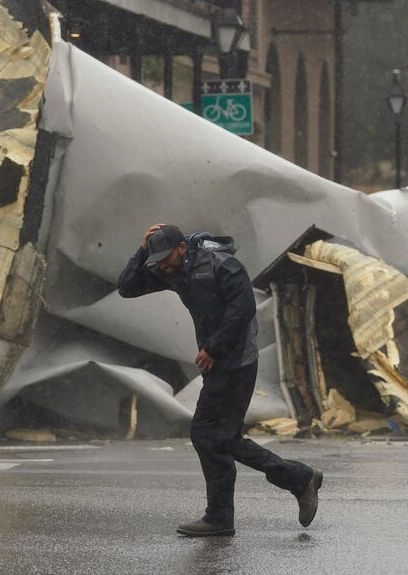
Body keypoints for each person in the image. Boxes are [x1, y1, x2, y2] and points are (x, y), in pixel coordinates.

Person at [118, 223, 323, 537]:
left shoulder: (221, 263)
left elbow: (243, 309)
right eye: (156, 260)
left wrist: (214, 348)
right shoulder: (171, 268)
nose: (161, 265)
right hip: (217, 361)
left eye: (165, 257)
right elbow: (127, 288)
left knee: (210, 434)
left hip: (237, 359)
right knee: (218, 437)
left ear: (182, 248)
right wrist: (142, 250)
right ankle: (281, 486)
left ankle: (237, 508)